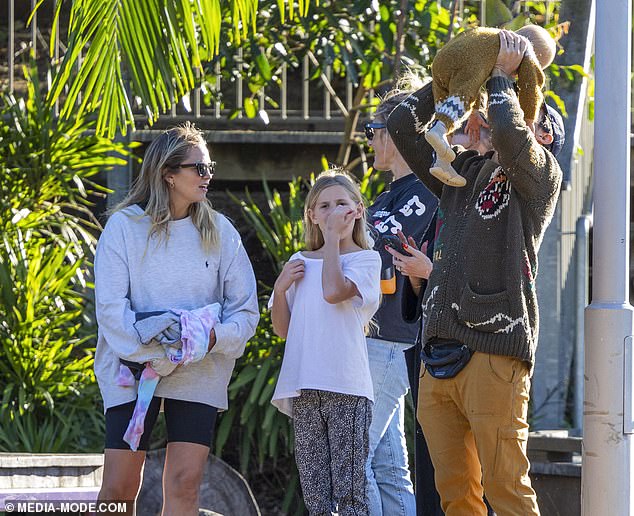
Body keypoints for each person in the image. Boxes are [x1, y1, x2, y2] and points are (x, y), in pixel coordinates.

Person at [385, 30, 565, 515]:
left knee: (507, 492)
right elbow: (402, 124)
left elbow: (510, 135)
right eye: (481, 111)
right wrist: (447, 82)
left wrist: (504, 78)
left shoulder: (540, 175)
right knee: (455, 497)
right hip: (438, 355)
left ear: (542, 133)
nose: (481, 119)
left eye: (492, 112)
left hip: (495, 353)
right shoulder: (457, 173)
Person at [94, 123, 259, 515]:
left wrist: (208, 340)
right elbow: (111, 311)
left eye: (209, 167)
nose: (208, 176)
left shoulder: (221, 232)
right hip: (132, 367)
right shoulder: (124, 227)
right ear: (168, 173)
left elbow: (245, 311)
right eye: (198, 168)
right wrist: (152, 352)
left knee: (184, 487)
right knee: (118, 487)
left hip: (200, 367)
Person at [270, 170, 382, 516]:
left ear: (358, 210)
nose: (334, 212)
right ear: (312, 215)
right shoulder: (297, 263)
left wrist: (332, 240)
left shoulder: (366, 259)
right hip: (303, 388)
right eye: (325, 206)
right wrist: (278, 288)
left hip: (346, 388)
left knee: (350, 495)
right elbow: (283, 330)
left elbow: (334, 291)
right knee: (316, 497)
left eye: (342, 204)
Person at [363, 75, 439, 516]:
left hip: (392, 340)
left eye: (375, 130)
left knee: (354, 462)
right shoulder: (392, 192)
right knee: (389, 468)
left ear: (397, 133)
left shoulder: (425, 188)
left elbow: (381, 244)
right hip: (377, 338)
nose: (371, 140)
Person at [425, 24, 556, 186]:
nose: (516, 76)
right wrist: (529, 123)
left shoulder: (488, 38)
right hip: (463, 65)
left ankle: (441, 162)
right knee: (461, 101)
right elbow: (531, 88)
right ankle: (439, 129)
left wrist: (474, 113)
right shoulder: (524, 48)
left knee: (446, 102)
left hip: (441, 60)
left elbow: (474, 77)